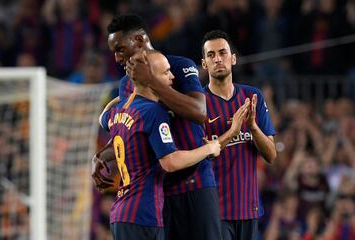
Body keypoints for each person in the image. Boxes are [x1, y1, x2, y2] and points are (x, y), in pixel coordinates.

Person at [92, 13, 222, 240]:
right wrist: (102, 156)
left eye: (120, 49)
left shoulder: (179, 67)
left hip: (195, 186)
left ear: (140, 41)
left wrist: (151, 80)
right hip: (158, 195)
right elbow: (131, 133)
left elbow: (199, 113)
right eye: (114, 51)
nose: (116, 58)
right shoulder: (126, 84)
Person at [201, 30, 277, 240]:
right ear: (204, 64)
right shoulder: (198, 104)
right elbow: (200, 154)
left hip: (249, 208)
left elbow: (271, 155)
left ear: (233, 58)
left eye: (223, 52)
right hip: (214, 210)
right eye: (211, 55)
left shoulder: (252, 96)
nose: (218, 58)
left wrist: (252, 127)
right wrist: (233, 131)